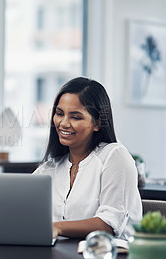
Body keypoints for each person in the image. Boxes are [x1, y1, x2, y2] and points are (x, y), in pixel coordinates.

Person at [33, 77, 142, 240]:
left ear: (97, 123)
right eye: (59, 114)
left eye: (75, 117)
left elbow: (108, 224)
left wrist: (57, 227)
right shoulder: (49, 168)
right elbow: (19, 209)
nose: (63, 123)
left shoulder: (114, 156)